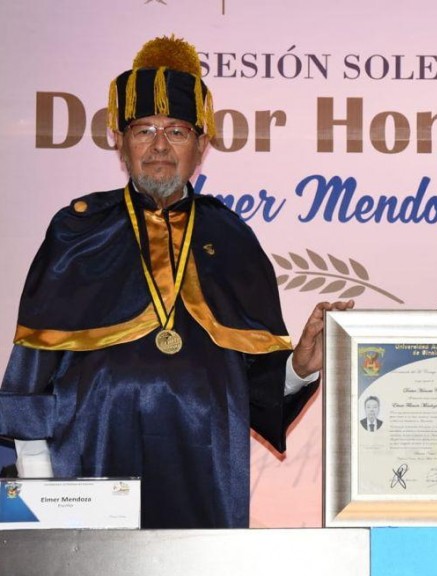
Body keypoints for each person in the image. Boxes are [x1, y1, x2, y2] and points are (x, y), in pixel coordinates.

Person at [0, 35, 352, 528]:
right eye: (144, 130)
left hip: (204, 461)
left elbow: (256, 387)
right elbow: (31, 373)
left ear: (201, 146)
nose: (160, 146)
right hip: (89, 461)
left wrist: (300, 366)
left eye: (177, 131)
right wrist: (36, 484)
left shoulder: (232, 238)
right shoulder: (76, 228)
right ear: (119, 143)